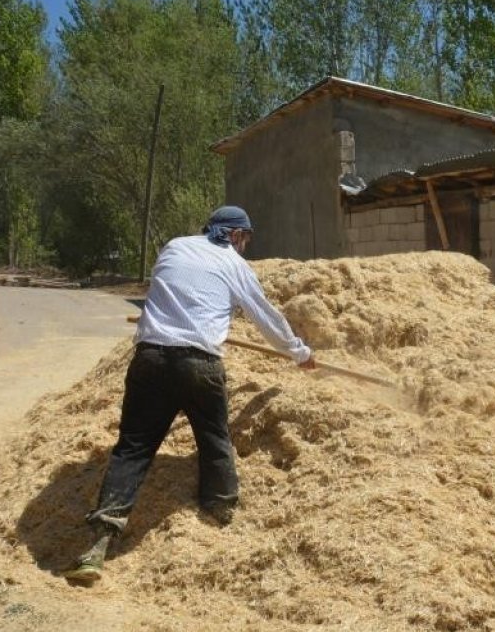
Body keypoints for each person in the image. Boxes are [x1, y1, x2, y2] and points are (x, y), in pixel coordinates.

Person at [65, 205, 317, 582]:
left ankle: (98, 543)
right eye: (245, 239)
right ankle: (220, 513)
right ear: (235, 235)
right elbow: (266, 317)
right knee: (214, 438)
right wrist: (300, 353)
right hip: (199, 363)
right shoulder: (234, 264)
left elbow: (176, 292)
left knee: (132, 448)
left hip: (149, 358)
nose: (244, 246)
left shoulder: (175, 246)